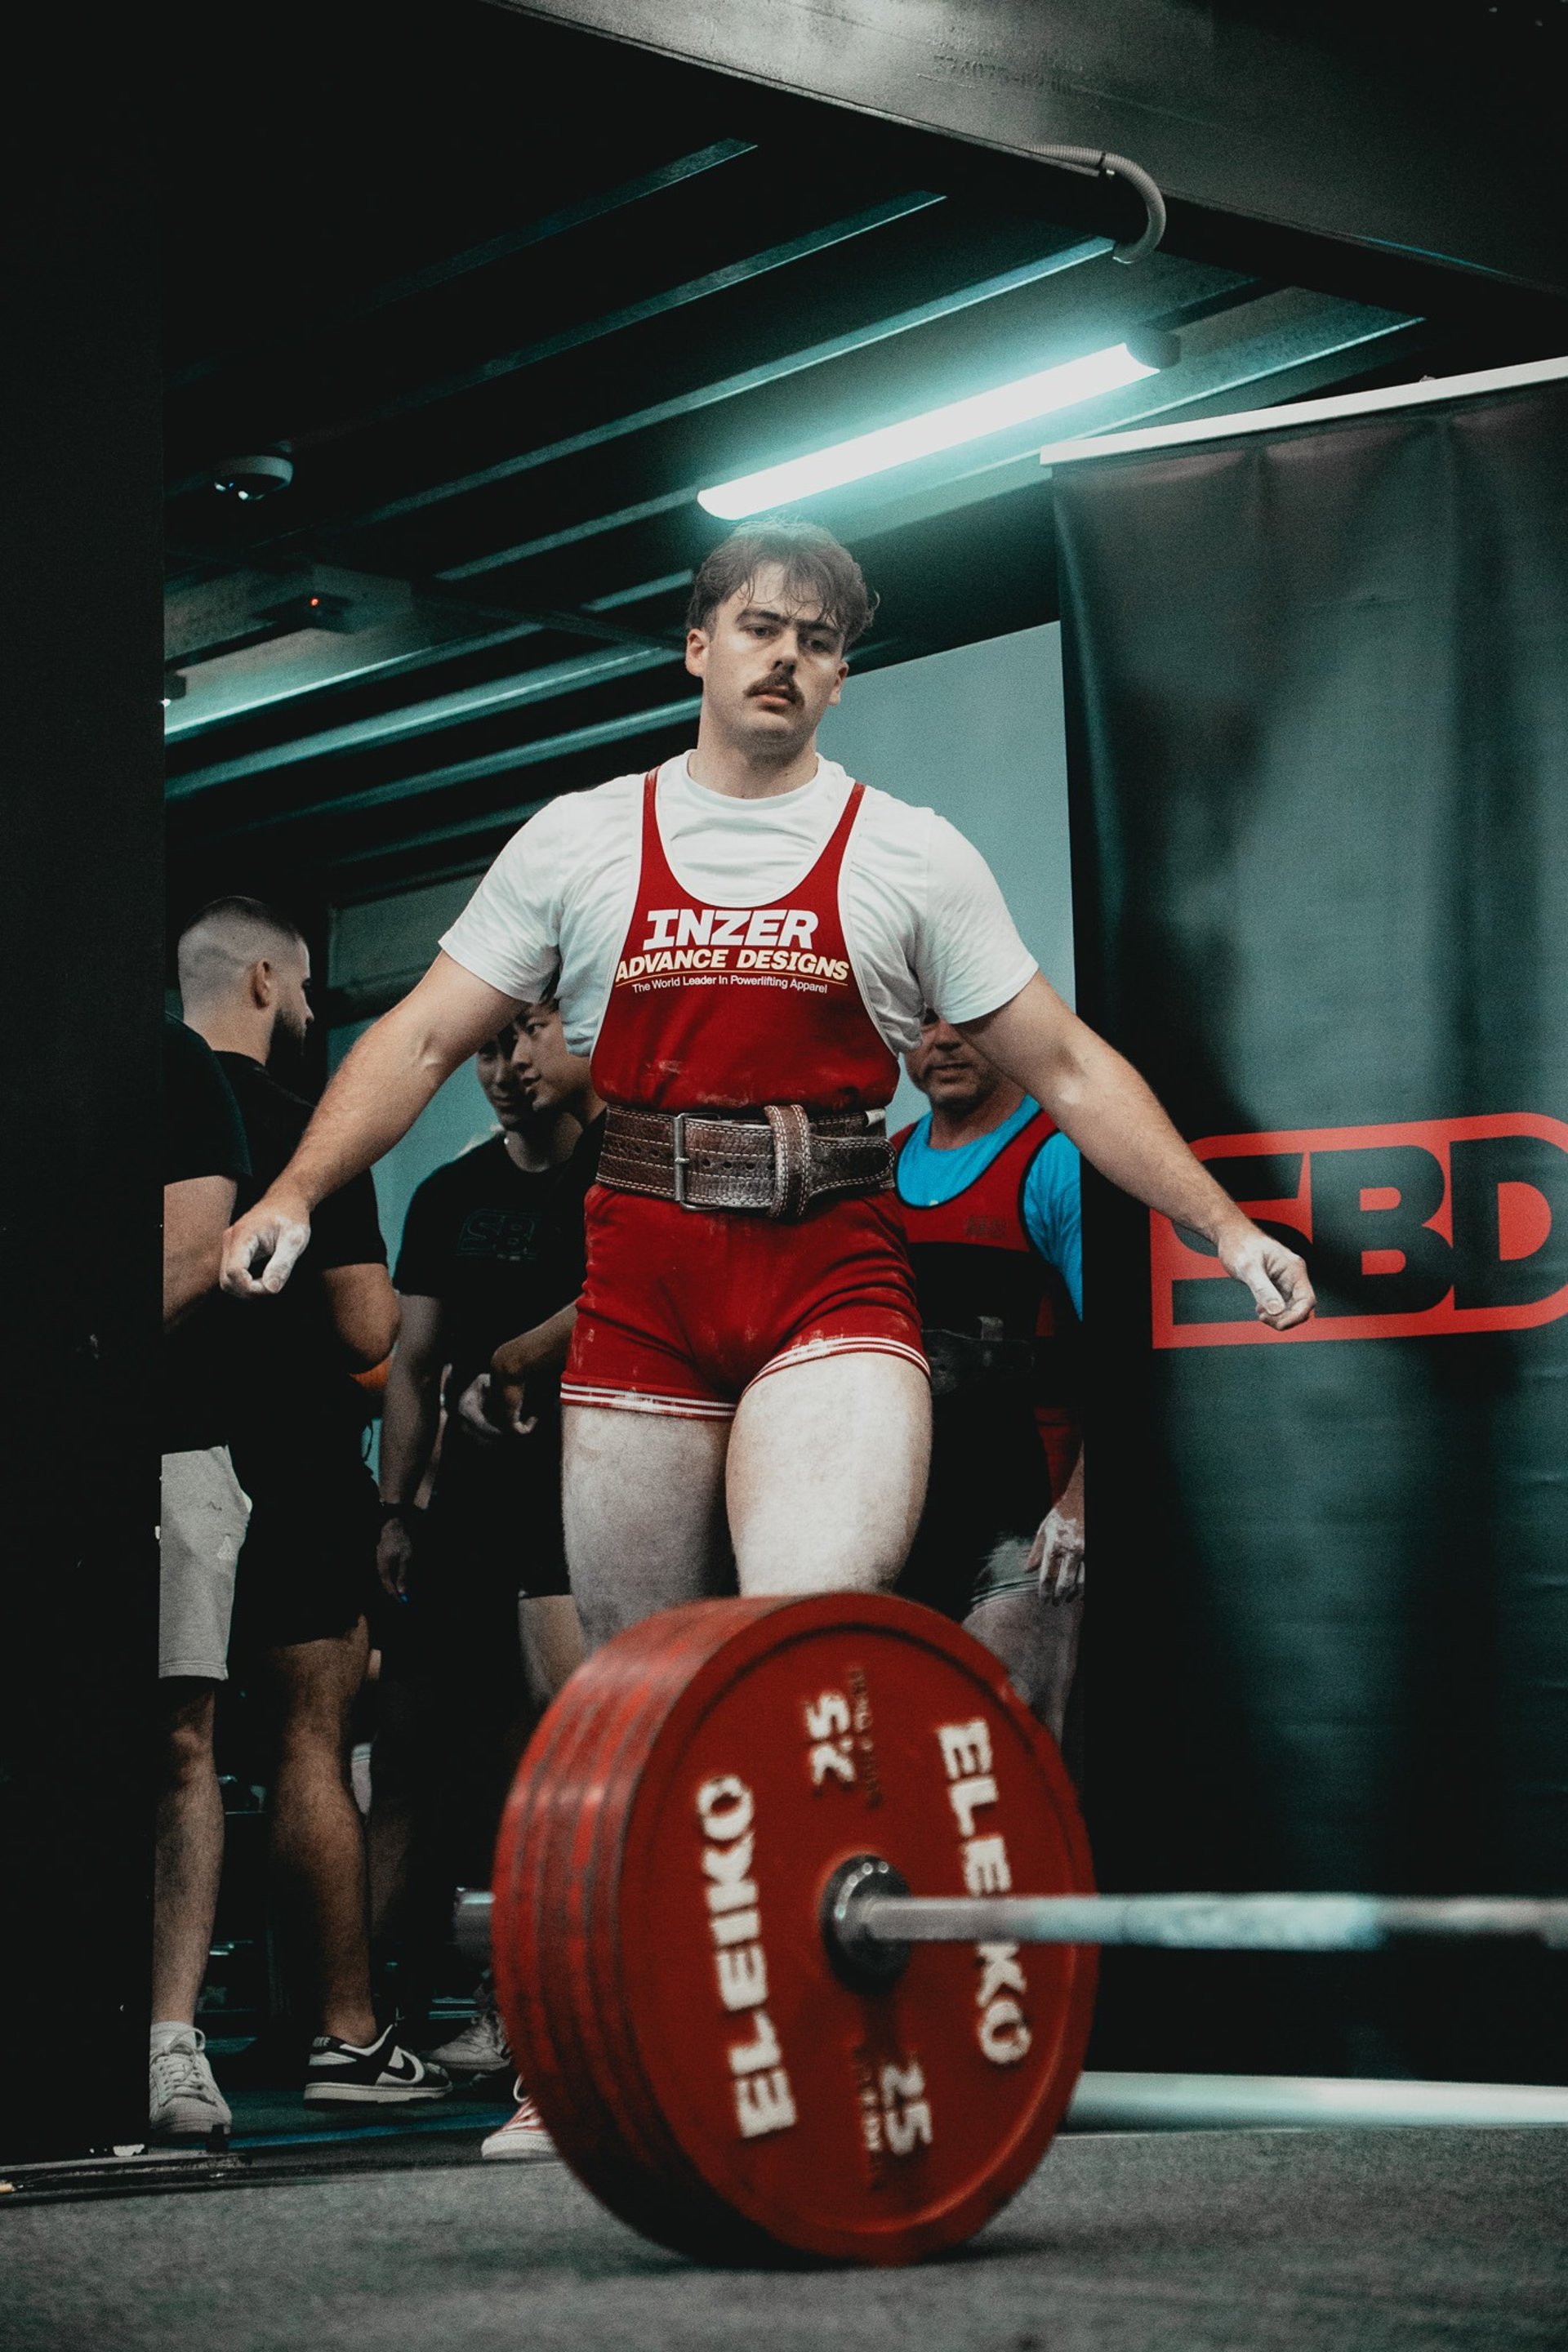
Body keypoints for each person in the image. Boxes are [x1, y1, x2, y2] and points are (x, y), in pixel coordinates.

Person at [220, 519, 1313, 1664]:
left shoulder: (909, 853)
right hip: (644, 1289)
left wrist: (1227, 1232)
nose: (787, 656)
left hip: (828, 1278)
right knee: (650, 1677)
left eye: (819, 640)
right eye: (760, 627)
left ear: (842, 679)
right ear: (699, 647)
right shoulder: (578, 842)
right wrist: (297, 1192)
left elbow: (1073, 1069)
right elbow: (423, 1037)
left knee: (802, 1650)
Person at [178, 897, 446, 2108]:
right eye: (296, 990)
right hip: (288, 1469)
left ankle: (194, 2035)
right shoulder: (307, 1129)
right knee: (309, 1745)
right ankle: (342, 2034)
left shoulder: (128, 1109)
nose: (302, 1009)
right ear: (263, 983)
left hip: (172, 1459)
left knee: (172, 1757)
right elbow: (367, 1325)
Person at [370, 1004, 595, 2088]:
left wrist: (515, 1358)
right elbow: (411, 1367)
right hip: (466, 1509)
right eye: (486, 1050)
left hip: (580, 1500)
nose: (505, 1068)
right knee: (416, 1750)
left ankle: (542, 2009)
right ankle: (370, 2014)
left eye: (524, 1043)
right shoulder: (450, 1195)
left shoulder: (616, 1174)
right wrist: (396, 1511)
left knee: (560, 1751)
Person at [894, 1012, 1085, 1741]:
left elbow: (1122, 1362)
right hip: (907, 1524)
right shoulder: (882, 1168)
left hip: (1026, 1523)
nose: (942, 1040)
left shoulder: (1057, 1158)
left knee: (1009, 1750)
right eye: (921, 1021)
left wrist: (1078, 1507)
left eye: (963, 1019)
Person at [150, 1016, 252, 2140]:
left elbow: (189, 1255)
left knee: (177, 1734)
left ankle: (168, 2038)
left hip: (166, 1440)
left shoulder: (165, 1061)